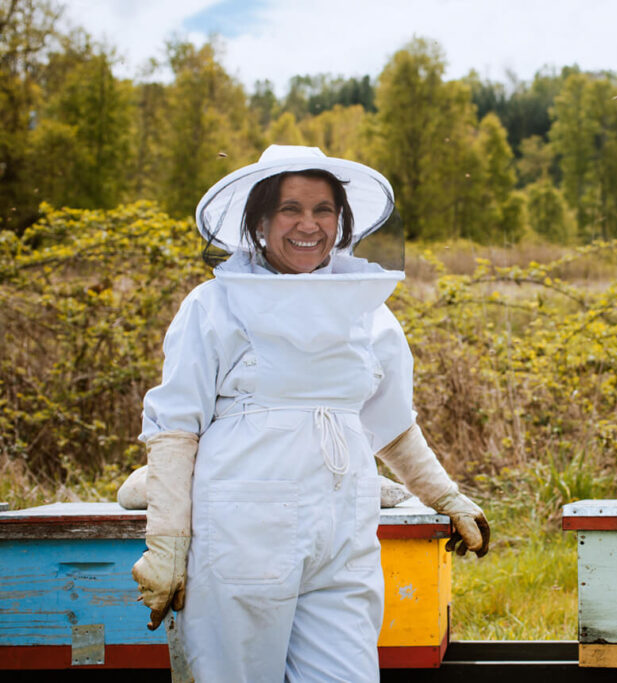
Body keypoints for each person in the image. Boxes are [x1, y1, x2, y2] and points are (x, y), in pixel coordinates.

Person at [129, 145, 489, 682]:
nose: (308, 224)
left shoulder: (369, 312)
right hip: (241, 538)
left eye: (324, 210)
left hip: (343, 537)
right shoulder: (212, 305)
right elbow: (176, 430)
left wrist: (445, 496)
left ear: (340, 222)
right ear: (259, 222)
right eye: (290, 209)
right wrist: (168, 542)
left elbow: (392, 426)